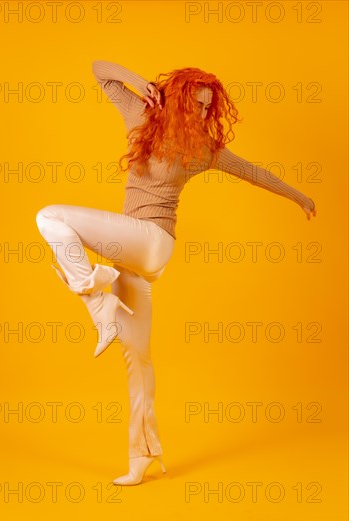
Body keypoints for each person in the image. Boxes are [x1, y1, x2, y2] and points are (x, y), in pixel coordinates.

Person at [35, 60, 317, 486]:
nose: (203, 115)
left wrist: (300, 198)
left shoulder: (205, 150)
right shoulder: (141, 116)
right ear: (178, 100)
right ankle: (141, 456)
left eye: (209, 108)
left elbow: (256, 174)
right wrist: (140, 84)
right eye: (197, 105)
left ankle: (97, 301)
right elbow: (98, 68)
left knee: (50, 216)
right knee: (137, 357)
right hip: (131, 254)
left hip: (151, 240)